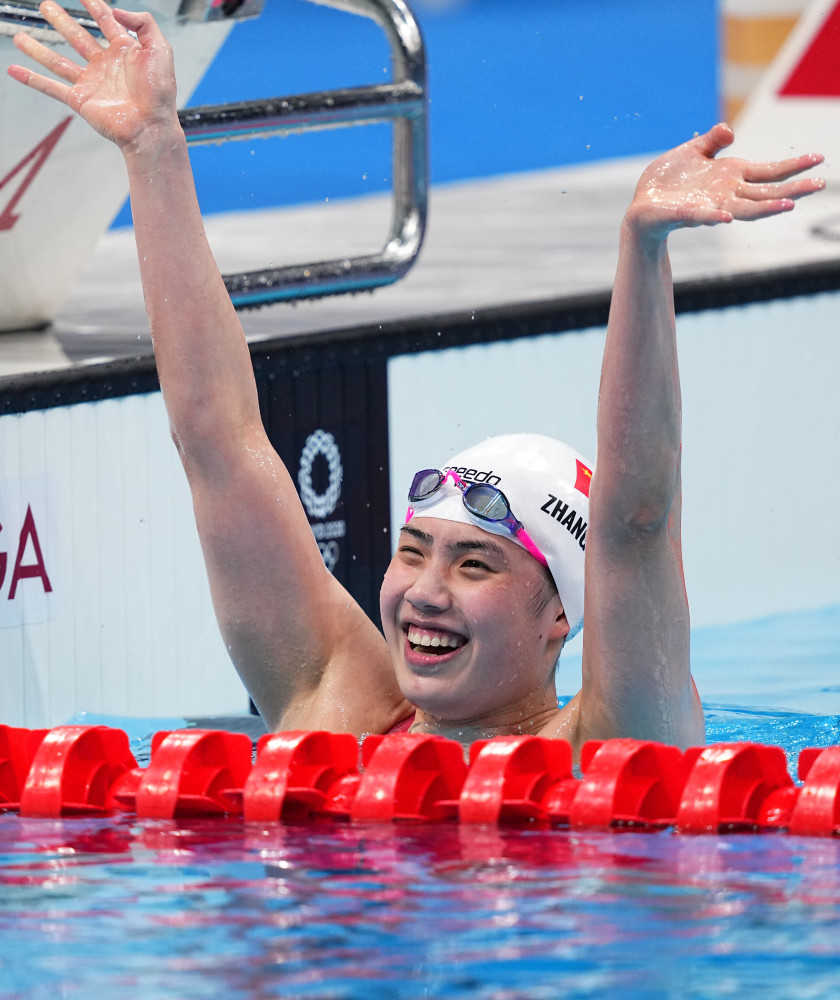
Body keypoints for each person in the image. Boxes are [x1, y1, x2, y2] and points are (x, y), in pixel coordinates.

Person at [8, 0, 825, 756]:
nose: (424, 593)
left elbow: (639, 518)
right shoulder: (334, 698)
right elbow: (217, 439)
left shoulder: (615, 743)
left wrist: (642, 251)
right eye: (412, 552)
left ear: (560, 614)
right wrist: (153, 147)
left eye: (475, 564)